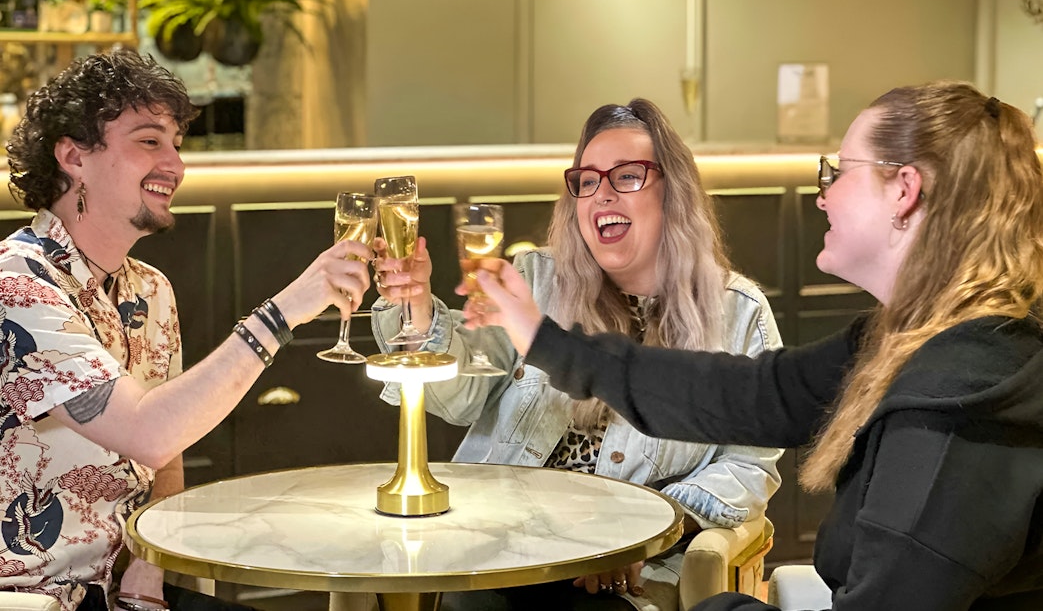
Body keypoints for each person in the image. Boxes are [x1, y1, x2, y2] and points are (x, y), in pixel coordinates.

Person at [468, 81, 1043, 610]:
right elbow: (742, 394)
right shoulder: (905, 338)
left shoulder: (958, 401)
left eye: (839, 172)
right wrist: (545, 341)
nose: (823, 196)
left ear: (904, 191)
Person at [371, 98, 783, 610]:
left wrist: (645, 529)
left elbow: (748, 467)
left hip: (618, 578)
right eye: (587, 180)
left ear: (673, 193)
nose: (601, 193)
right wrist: (416, 308)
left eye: (626, 176)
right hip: (500, 547)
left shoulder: (738, 313)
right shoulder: (536, 278)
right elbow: (459, 397)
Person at [0, 49, 371, 611]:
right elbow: (146, 432)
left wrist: (150, 566)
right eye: (150, 141)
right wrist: (282, 314)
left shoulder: (150, 290)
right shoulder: (18, 285)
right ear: (74, 156)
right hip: (38, 595)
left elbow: (166, 453)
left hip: (128, 589)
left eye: (177, 144)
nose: (174, 164)